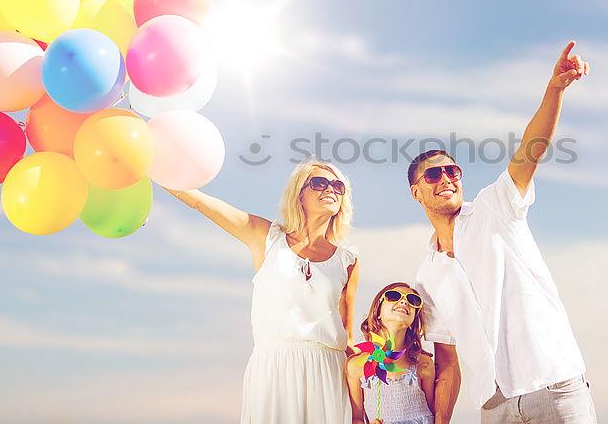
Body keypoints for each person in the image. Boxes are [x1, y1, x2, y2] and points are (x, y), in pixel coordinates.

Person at [410, 41, 596, 423]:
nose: (446, 178)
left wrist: (554, 90)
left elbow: (530, 150)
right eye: (433, 174)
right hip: (494, 406)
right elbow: (447, 361)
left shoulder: (496, 208)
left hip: (554, 385)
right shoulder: (426, 276)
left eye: (452, 171)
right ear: (417, 191)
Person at [167, 160, 360, 424]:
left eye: (338, 186)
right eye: (319, 183)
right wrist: (152, 168)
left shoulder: (348, 260)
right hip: (273, 367)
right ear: (299, 194)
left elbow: (347, 335)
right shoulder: (266, 237)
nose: (331, 190)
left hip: (328, 371)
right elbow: (201, 202)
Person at [347, 283, 435, 424]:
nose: (404, 301)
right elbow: (357, 418)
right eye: (393, 296)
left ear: (412, 322)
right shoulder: (356, 366)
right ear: (378, 312)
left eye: (412, 300)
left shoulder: (423, 363)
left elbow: (436, 414)